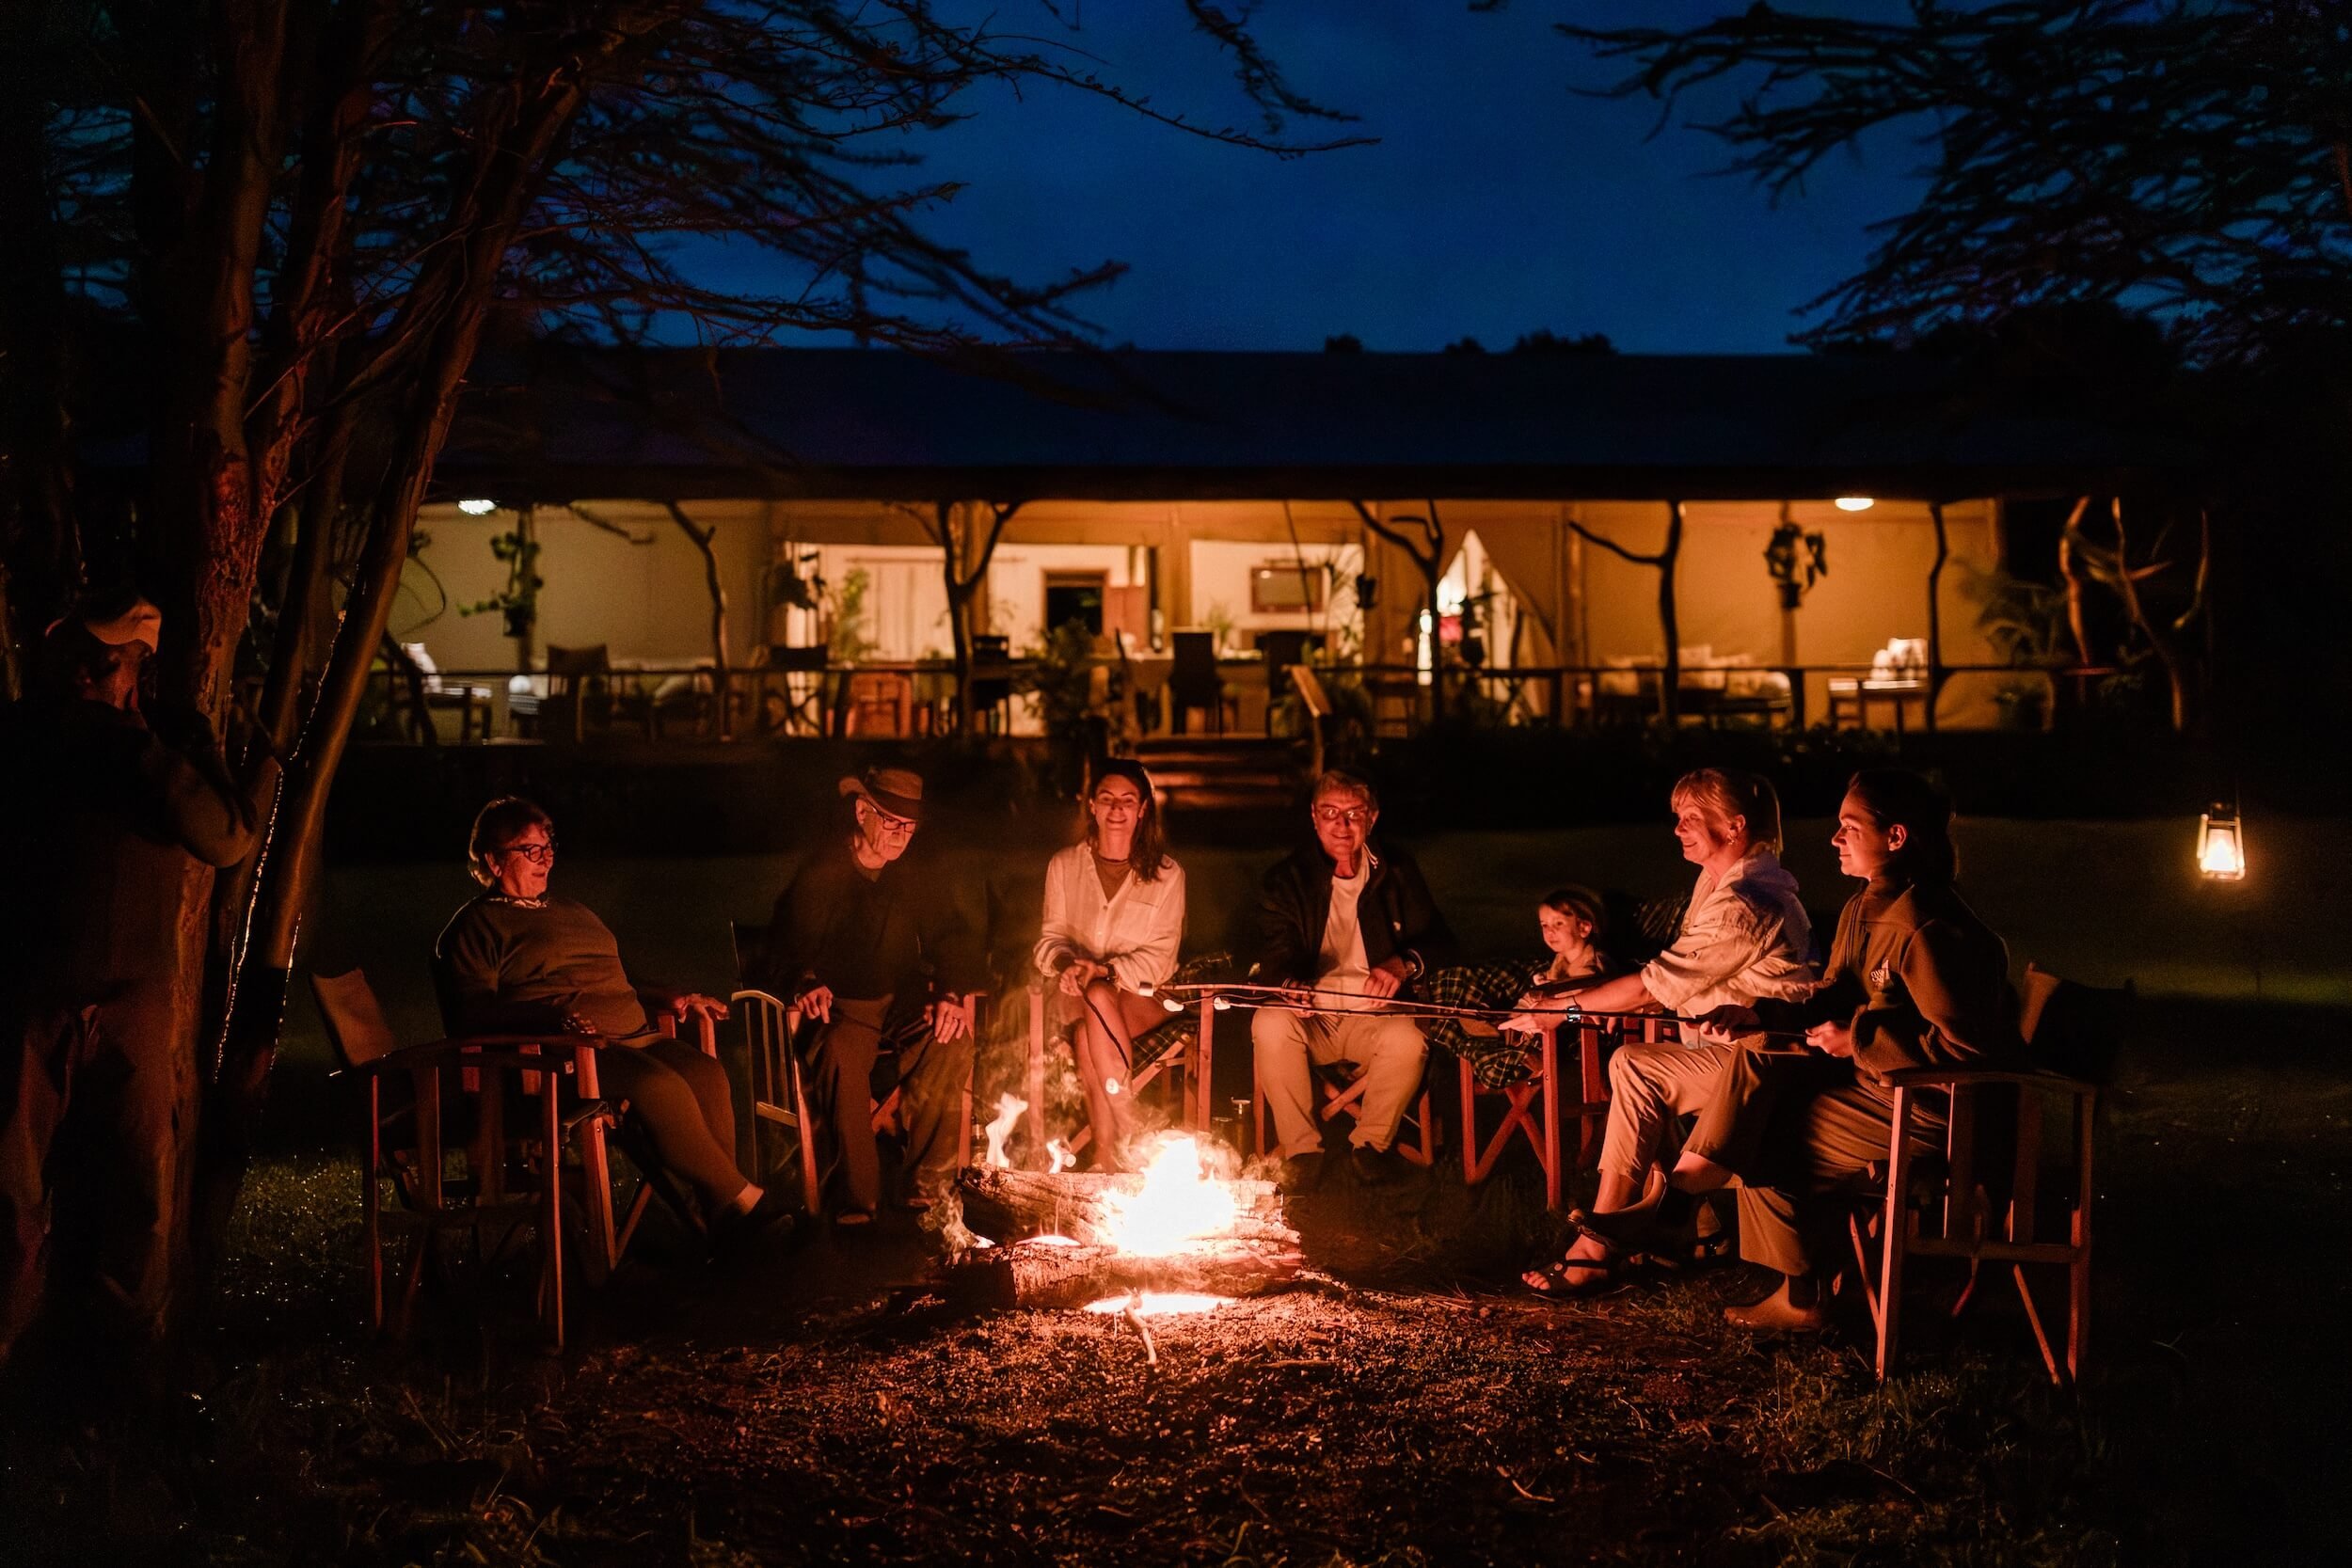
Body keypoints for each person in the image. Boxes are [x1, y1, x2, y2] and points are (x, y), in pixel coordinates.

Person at [1586, 769, 2017, 1331]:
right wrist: (1760, 1015)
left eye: (1849, 827)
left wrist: (1857, 1038)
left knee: (1765, 1128)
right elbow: (1832, 994)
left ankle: (1762, 1266)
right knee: (1760, 1054)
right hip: (1875, 1087)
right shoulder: (1865, 908)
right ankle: (1690, 1211)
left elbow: (1966, 1048)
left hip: (1931, 1109)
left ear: (1897, 837)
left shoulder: (1928, 926)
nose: (1835, 839)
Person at [0, 593, 277, 1379]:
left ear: (134, 671)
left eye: (109, 657)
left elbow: (225, 838)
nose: (91, 669)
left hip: (128, 998)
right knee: (12, 1186)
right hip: (32, 993)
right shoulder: (29, 734)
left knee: (134, 1188)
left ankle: (120, 1371)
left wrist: (159, 746)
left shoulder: (149, 747)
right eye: (83, 654)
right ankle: (17, 1351)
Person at [437, 798, 793, 1255]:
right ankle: (747, 1202)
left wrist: (673, 997)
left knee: (706, 1072)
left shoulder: (572, 911)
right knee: (659, 1086)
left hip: (635, 1036)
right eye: (531, 850)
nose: (546, 859)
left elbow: (615, 978)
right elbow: (472, 1013)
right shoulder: (475, 928)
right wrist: (545, 1018)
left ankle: (721, 1218)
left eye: (549, 847)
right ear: (492, 859)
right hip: (562, 1057)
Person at [1520, 768, 1815, 1295]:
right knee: (1635, 1063)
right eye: (1677, 818)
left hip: (1769, 1063)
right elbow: (1675, 980)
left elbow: (1654, 982)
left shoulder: (1747, 901)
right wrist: (1564, 1000)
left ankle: (1602, 1247)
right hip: (1731, 1051)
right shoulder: (1717, 882)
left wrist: (1563, 1013)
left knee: (1637, 1069)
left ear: (1735, 826)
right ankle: (1680, 1231)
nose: (1677, 829)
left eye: (1691, 819)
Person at [757, 768, 983, 1224]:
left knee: (953, 1038)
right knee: (840, 1053)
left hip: (902, 1005)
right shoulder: (825, 872)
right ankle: (857, 1200)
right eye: (892, 822)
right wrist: (804, 980)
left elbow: (952, 936)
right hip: (843, 1009)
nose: (901, 836)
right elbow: (784, 944)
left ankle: (926, 1189)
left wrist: (952, 993)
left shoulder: (917, 872)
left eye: (909, 826)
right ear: (863, 812)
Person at [1249, 769, 1457, 1191]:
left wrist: (1403, 965)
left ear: (1373, 818)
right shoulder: (1287, 879)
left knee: (1408, 1038)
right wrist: (1290, 987)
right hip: (1313, 1018)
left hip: (1374, 1015)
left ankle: (1370, 1146)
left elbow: (1440, 942)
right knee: (1268, 1024)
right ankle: (1302, 1151)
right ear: (1314, 817)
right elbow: (1275, 954)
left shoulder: (1396, 871)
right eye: (1330, 812)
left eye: (1353, 813)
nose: (1341, 825)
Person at [1035, 760, 1185, 1171]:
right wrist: (1067, 964)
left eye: (1127, 800)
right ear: (1092, 808)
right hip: (1072, 993)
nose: (1117, 809)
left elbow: (1162, 957)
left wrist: (1105, 972)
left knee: (1091, 1025)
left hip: (1143, 997)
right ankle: (1132, 1128)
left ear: (1143, 810)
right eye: (1107, 800)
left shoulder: (1167, 875)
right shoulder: (1064, 866)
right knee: (1094, 1001)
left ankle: (1106, 1155)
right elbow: (1049, 938)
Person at [1422, 885, 1614, 1087]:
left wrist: (1561, 1006)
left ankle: (1507, 1039)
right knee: (1508, 1006)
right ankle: (1496, 1029)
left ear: (1584, 927)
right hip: (1540, 1021)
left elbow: (1592, 1008)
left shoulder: (1596, 964)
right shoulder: (1558, 963)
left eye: (1558, 923)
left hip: (1573, 1033)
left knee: (1530, 1017)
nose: (1550, 931)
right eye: (1544, 925)